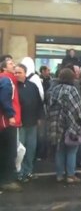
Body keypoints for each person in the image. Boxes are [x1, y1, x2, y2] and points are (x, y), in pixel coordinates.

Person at [46, 68, 81, 183]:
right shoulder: (72, 90)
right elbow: (77, 108)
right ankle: (70, 175)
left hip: (57, 123)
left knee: (60, 150)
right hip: (70, 124)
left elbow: (49, 106)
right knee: (72, 150)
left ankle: (59, 175)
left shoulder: (54, 90)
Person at [15, 63, 43, 182]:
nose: (16, 74)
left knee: (31, 148)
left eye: (19, 72)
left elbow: (39, 103)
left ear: (25, 73)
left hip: (32, 123)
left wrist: (40, 117)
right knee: (21, 150)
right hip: (20, 124)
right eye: (15, 72)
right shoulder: (13, 87)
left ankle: (29, 171)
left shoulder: (32, 86)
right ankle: (19, 173)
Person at [0, 57, 22, 192]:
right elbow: (4, 98)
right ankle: (7, 180)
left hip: (4, 122)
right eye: (10, 63)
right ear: (4, 68)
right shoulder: (7, 79)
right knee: (9, 152)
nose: (13, 65)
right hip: (7, 122)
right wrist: (11, 115)